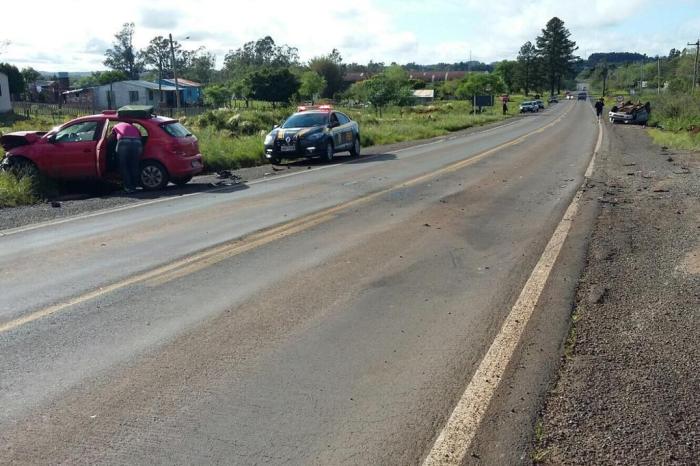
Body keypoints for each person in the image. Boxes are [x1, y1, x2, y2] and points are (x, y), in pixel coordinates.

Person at [112, 122, 143, 193]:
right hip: (137, 142)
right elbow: (140, 136)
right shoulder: (134, 127)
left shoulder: (116, 126)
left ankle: (128, 187)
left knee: (123, 166)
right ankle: (135, 185)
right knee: (134, 165)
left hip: (123, 141)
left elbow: (111, 138)